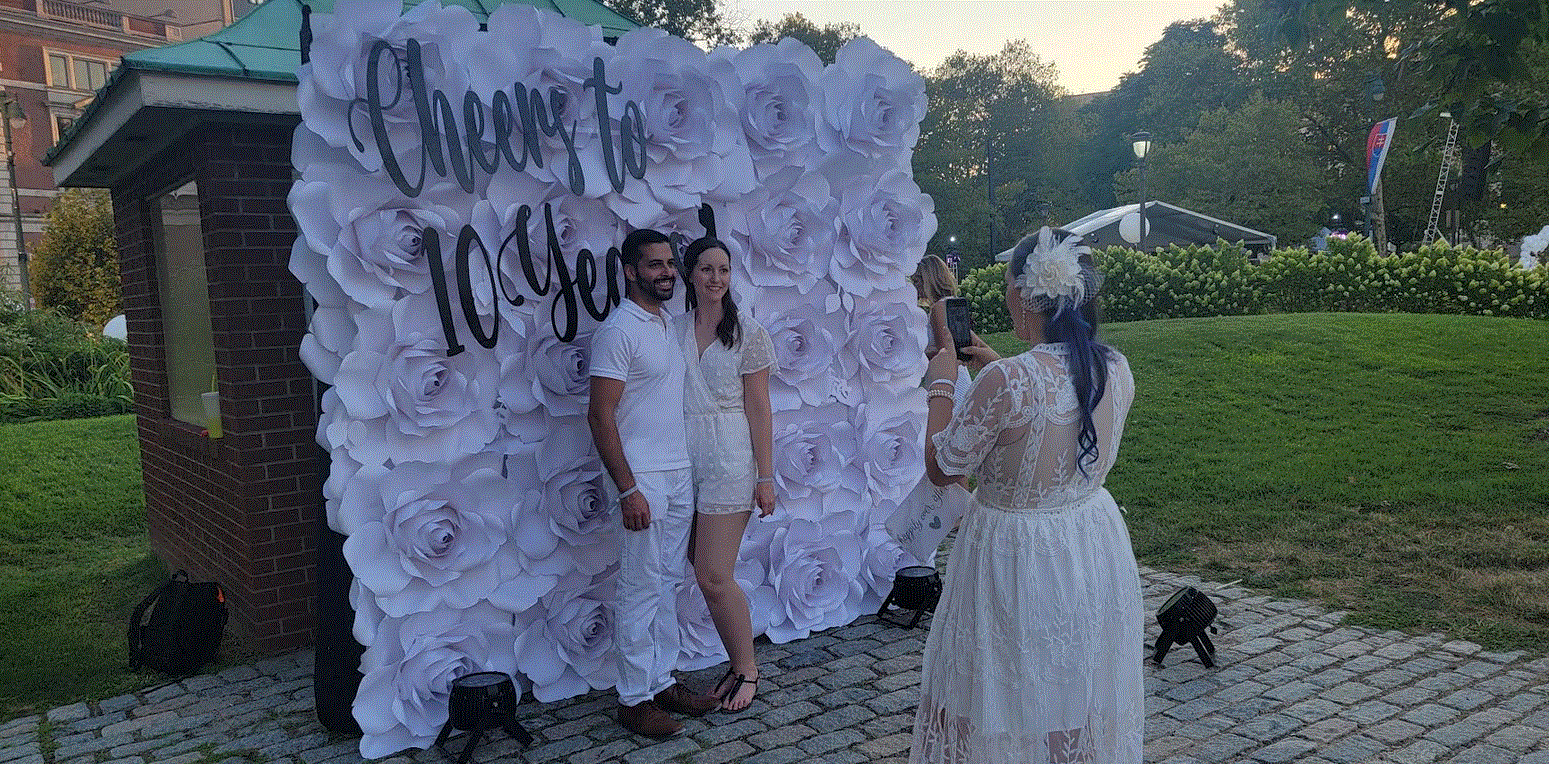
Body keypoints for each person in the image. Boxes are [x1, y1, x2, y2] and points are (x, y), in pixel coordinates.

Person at [910, 227, 1144, 764]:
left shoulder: (1008, 381)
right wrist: (994, 368)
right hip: (1090, 540)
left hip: (1014, 553)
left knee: (985, 684)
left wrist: (942, 382)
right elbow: (1049, 407)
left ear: (1022, 295)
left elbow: (943, 466)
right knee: (1071, 683)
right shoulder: (1113, 365)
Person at [588, 228, 721, 739]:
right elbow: (600, 414)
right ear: (630, 271)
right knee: (639, 587)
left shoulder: (667, 323)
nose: (667, 273)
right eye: (655, 265)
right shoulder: (618, 330)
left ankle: (662, 681)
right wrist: (627, 489)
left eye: (670, 264)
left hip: (677, 472)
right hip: (641, 478)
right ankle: (633, 698)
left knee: (667, 584)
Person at [675, 236, 777, 713]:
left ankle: (748, 668)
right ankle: (735, 664)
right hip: (682, 460)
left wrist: (766, 477)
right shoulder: (673, 329)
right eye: (707, 269)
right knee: (702, 572)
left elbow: (760, 407)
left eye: (724, 270)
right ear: (690, 274)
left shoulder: (747, 333)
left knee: (715, 574)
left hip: (728, 459)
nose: (716, 278)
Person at [913, 254, 985, 410]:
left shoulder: (938, 308)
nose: (915, 287)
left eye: (917, 281)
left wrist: (916, 355)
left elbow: (945, 352)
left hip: (948, 379)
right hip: (958, 375)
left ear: (928, 280)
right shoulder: (950, 303)